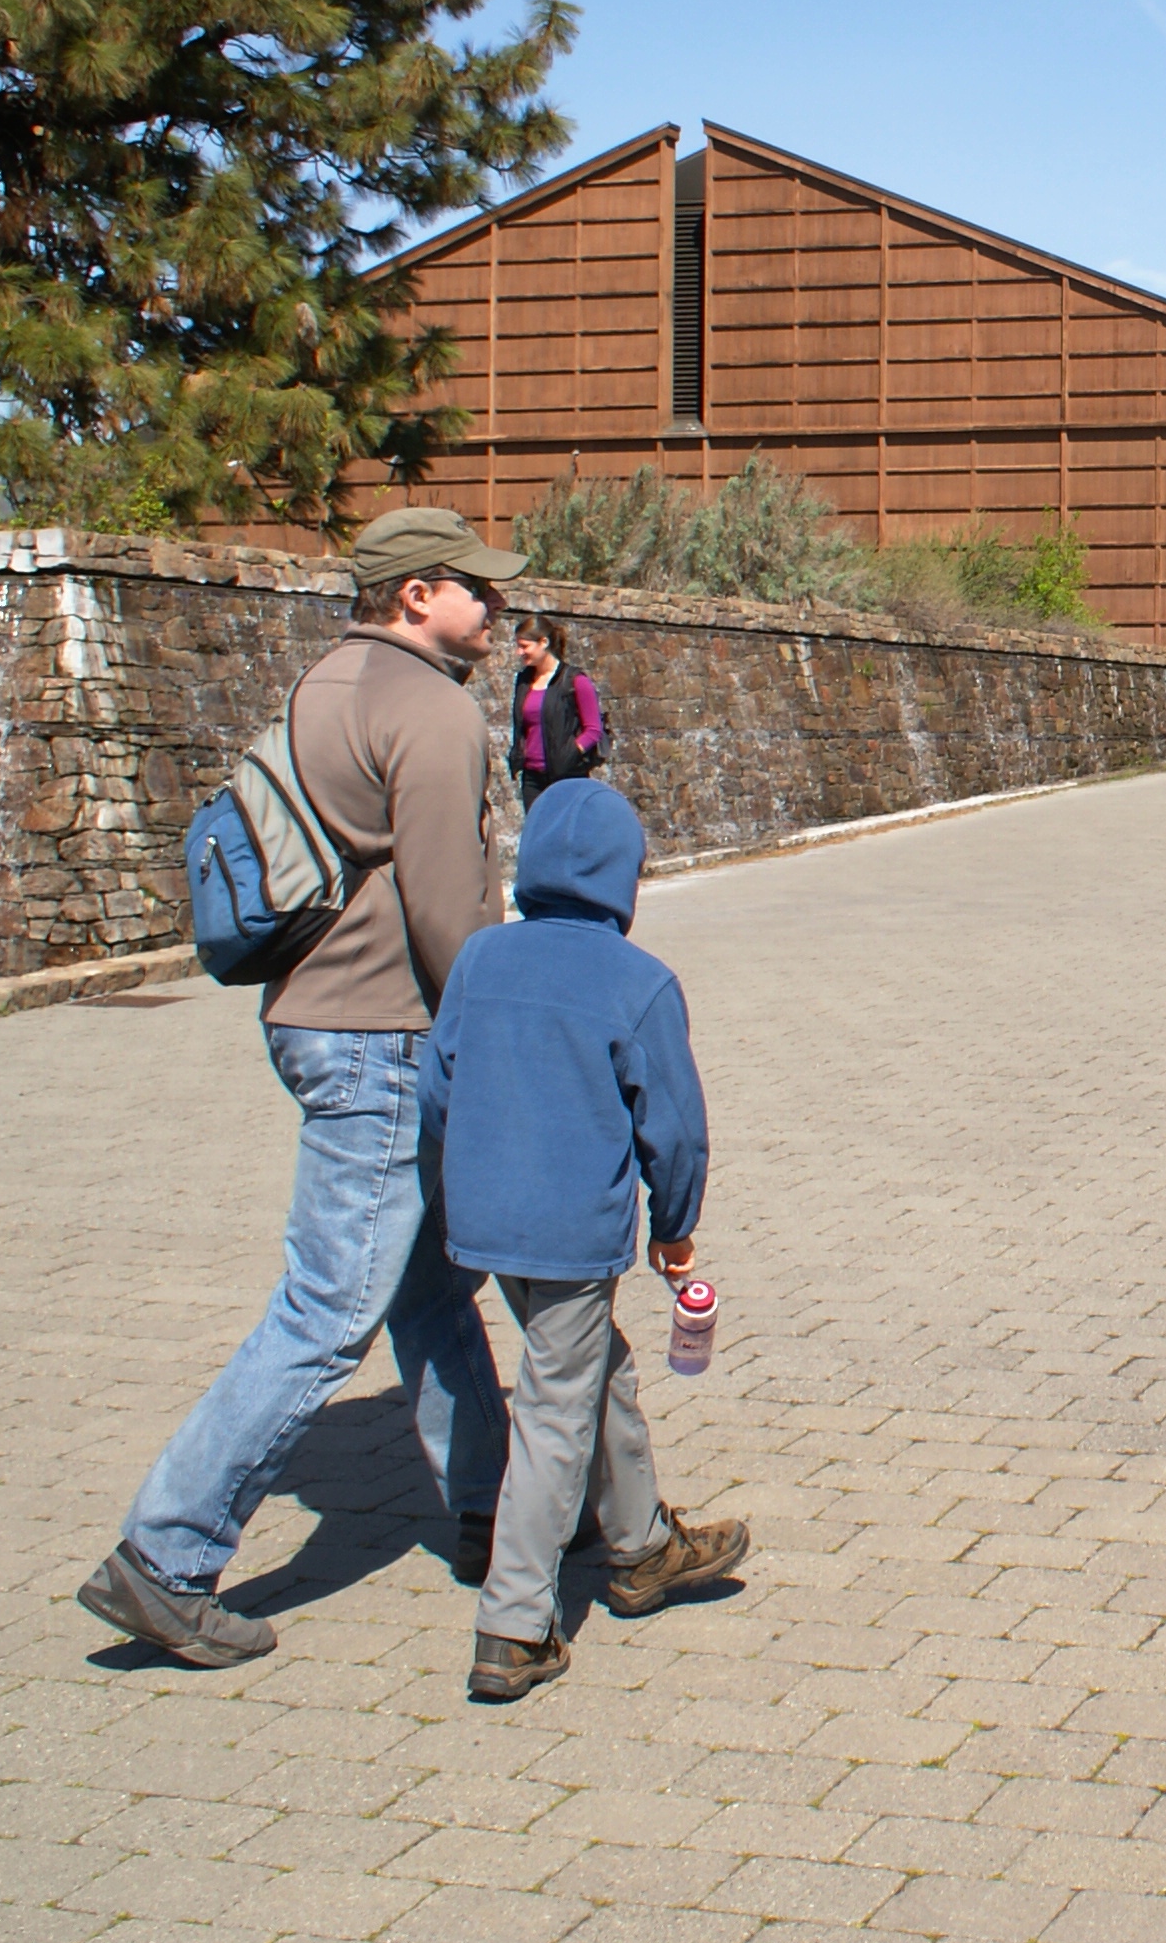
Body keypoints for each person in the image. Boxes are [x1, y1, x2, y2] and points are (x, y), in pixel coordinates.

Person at [79, 507, 523, 1668]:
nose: (496, 607)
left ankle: (495, 1509)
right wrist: (503, 1034)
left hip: (314, 1015)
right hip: (383, 1030)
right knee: (331, 1311)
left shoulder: (324, 680)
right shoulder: (430, 708)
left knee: (425, 1288)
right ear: (417, 593)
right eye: (476, 588)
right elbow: (443, 908)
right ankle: (164, 1556)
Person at [422, 777, 750, 1701]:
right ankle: (515, 1625)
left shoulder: (482, 959)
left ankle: (642, 1542)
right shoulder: (637, 983)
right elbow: (675, 1129)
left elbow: (438, 1092)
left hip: (485, 1223)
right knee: (556, 1406)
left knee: (592, 1365)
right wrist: (675, 1226)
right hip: (574, 1228)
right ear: (623, 879)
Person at [506, 614, 605, 812]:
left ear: (544, 642)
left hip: (567, 777)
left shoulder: (575, 681)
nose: (519, 652)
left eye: (524, 646)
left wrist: (570, 753)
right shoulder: (524, 681)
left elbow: (593, 730)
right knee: (538, 836)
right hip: (532, 779)